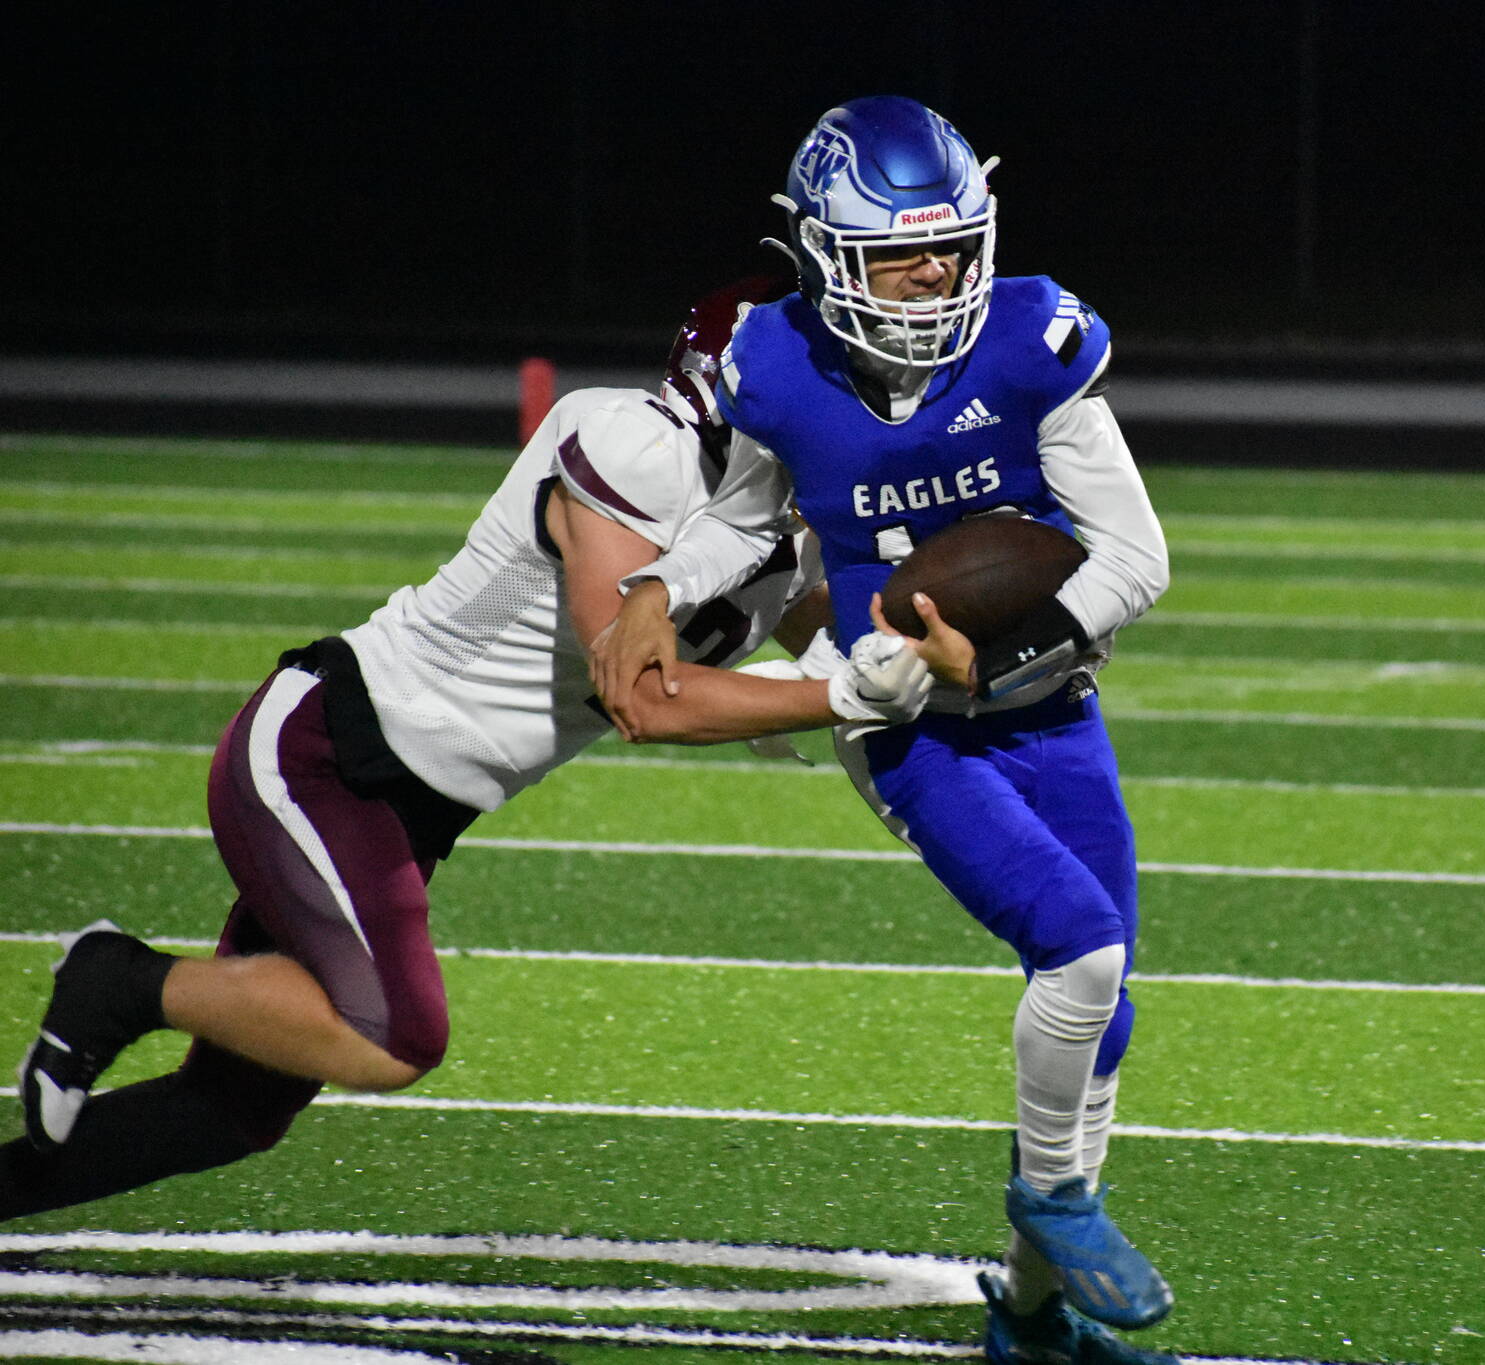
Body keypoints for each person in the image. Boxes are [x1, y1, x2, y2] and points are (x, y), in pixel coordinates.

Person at [4, 286, 948, 1219]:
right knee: (396, 1034)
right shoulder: (634, 449)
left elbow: (850, 639)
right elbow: (642, 695)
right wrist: (835, 692)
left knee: (231, 1109)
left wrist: (962, 648)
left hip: (408, 808)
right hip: (331, 751)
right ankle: (119, 980)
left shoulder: (771, 523)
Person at [590, 97, 1176, 1365]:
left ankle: (1024, 1316)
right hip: (900, 714)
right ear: (821, 254)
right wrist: (654, 587)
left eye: (951, 247)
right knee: (1076, 950)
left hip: (1045, 698)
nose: (934, 273)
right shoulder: (774, 363)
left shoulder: (1030, 338)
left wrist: (1007, 653)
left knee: (1103, 998)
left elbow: (1134, 555)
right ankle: (1055, 1205)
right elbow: (746, 526)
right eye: (899, 251)